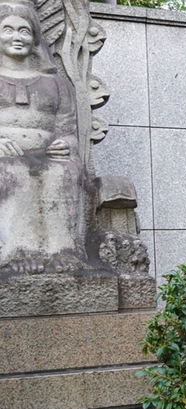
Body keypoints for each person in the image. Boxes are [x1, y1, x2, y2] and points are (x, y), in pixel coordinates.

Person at [0, 0, 87, 273]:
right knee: (13, 171)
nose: (17, 37)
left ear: (36, 38)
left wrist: (67, 144)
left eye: (25, 31)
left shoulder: (58, 84)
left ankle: (64, 253)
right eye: (8, 29)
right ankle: (17, 253)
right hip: (6, 158)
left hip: (48, 158)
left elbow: (68, 130)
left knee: (65, 173)